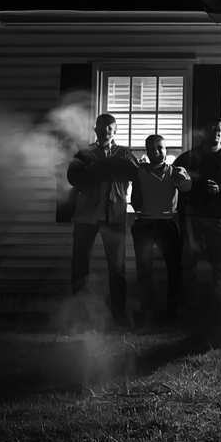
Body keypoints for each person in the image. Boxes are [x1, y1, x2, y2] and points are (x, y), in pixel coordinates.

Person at [66, 113, 139, 327]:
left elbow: (134, 172)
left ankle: (119, 316)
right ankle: (79, 316)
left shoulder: (124, 152)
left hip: (114, 215)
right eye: (102, 126)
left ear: (115, 131)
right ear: (95, 129)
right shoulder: (83, 152)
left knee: (117, 268)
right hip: (86, 215)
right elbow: (73, 178)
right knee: (80, 265)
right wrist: (104, 170)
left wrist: (102, 165)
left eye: (110, 127)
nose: (106, 131)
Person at [174, 118, 221, 312]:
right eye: (212, 129)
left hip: (217, 218)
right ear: (204, 132)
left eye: (219, 130)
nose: (216, 133)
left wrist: (220, 189)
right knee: (189, 266)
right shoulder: (188, 157)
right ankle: (189, 309)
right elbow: (174, 181)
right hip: (191, 218)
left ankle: (218, 309)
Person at [130, 134, 194, 326]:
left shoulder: (176, 171)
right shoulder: (139, 172)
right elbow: (134, 202)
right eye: (151, 149)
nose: (156, 152)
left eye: (160, 148)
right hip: (144, 224)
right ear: (146, 152)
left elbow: (187, 187)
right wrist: (136, 182)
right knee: (144, 271)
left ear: (166, 149)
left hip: (167, 223)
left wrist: (181, 179)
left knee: (175, 269)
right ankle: (148, 314)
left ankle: (172, 311)